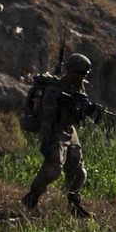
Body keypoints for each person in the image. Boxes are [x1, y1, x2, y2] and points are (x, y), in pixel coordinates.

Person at [21, 53, 96, 218]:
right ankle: (31, 199)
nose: (83, 77)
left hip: (69, 129)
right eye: (81, 73)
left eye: (85, 74)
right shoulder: (55, 90)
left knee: (78, 171)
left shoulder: (78, 87)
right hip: (55, 129)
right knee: (53, 168)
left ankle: (74, 204)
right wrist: (46, 140)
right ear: (72, 71)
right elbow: (47, 118)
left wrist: (87, 111)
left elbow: (77, 114)